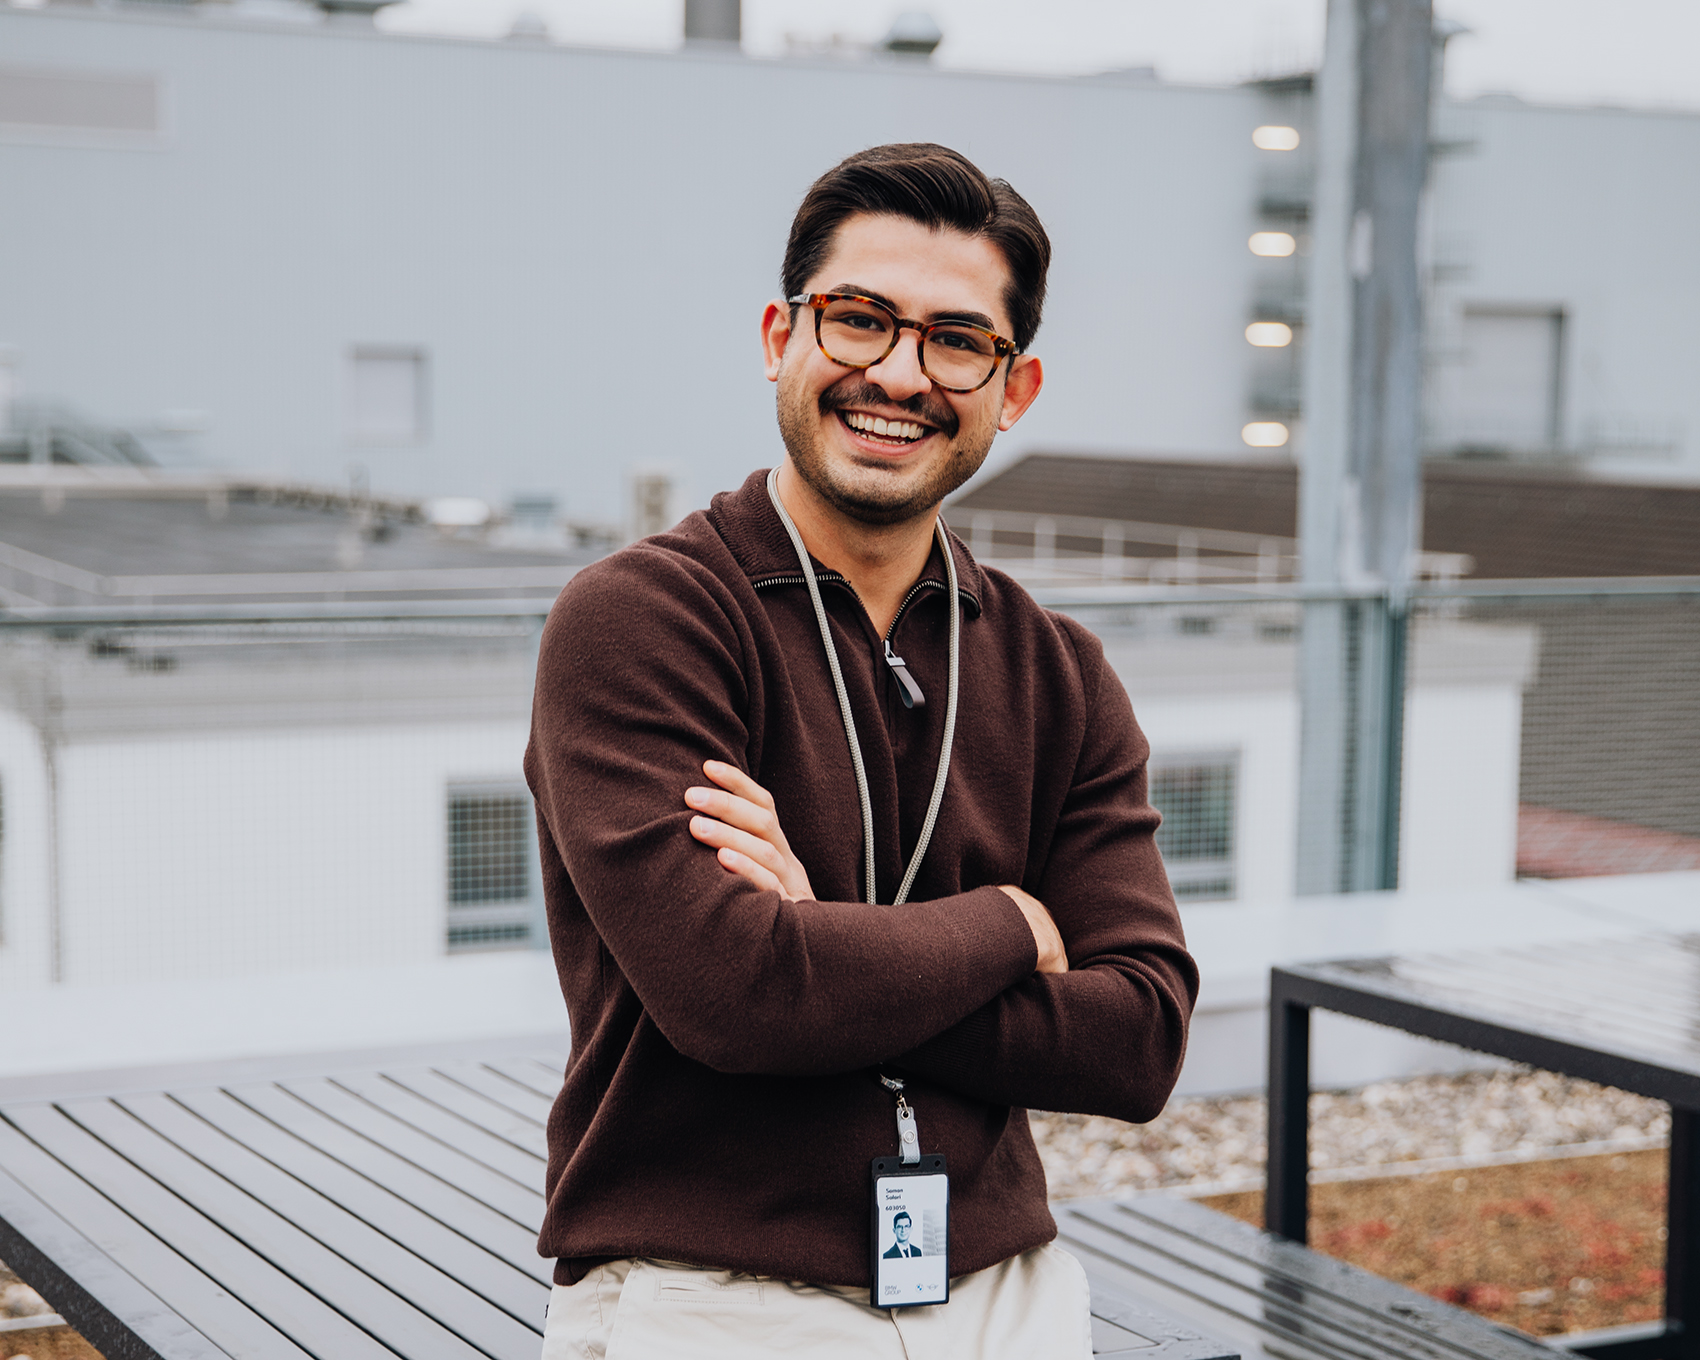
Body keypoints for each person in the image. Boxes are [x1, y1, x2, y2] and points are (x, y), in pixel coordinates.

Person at [526, 142, 1197, 1360]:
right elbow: (733, 997)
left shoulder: (1058, 670)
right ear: (781, 335)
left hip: (1008, 1292)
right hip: (710, 1291)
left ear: (1015, 386)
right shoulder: (643, 618)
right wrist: (1005, 921)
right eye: (858, 320)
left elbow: (1140, 1033)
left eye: (955, 339)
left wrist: (820, 951)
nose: (899, 371)